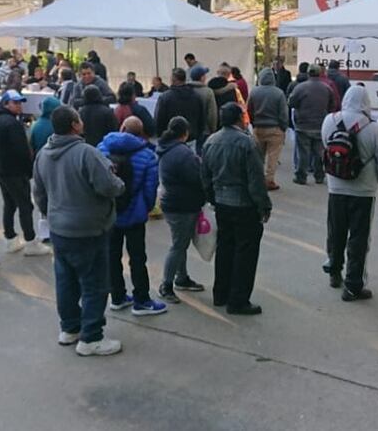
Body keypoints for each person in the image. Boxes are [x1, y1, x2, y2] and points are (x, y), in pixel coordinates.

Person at [33, 106, 126, 356]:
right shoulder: (86, 153)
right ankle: (91, 337)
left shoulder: (43, 154)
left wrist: (51, 214)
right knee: (94, 284)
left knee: (66, 281)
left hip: (59, 229)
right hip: (88, 229)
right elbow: (109, 186)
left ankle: (70, 328)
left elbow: (39, 192)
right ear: (74, 125)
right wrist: (120, 183)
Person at [322, 86, 378, 301]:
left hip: (335, 187)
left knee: (336, 231)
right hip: (363, 192)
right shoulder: (374, 128)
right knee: (359, 238)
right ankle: (353, 285)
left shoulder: (329, 121)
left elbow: (327, 147)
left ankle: (334, 270)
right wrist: (374, 180)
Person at [201, 103, 270, 315]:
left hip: (221, 202)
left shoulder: (210, 141)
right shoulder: (246, 143)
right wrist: (263, 205)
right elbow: (255, 179)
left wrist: (212, 198)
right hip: (244, 204)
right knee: (245, 252)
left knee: (225, 248)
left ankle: (221, 293)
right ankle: (238, 299)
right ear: (239, 119)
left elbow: (205, 176)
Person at [98, 117, 165, 317]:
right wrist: (146, 207)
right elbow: (150, 187)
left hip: (109, 212)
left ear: (122, 127)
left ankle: (117, 296)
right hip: (135, 213)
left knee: (112, 256)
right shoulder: (147, 156)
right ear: (141, 132)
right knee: (137, 258)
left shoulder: (101, 149)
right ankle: (141, 300)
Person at [156, 116, 206, 304]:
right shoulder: (183, 153)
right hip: (183, 204)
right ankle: (166, 284)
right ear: (185, 133)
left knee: (180, 243)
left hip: (172, 202)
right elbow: (197, 177)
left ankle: (181, 277)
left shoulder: (165, 149)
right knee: (178, 245)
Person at [0, 91, 50, 257]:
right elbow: (21, 150)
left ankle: (10, 238)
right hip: (15, 171)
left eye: (20, 102)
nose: (19, 106)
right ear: (6, 104)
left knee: (10, 204)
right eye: (15, 102)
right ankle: (30, 241)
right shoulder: (12, 124)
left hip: (2, 170)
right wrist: (28, 169)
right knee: (25, 205)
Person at [289, 65, 337, 185]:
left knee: (303, 153)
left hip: (303, 125)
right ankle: (319, 175)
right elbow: (333, 105)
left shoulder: (300, 87)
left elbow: (291, 102)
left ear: (308, 73)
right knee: (319, 153)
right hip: (320, 125)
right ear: (320, 73)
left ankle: (301, 176)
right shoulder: (326, 88)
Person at [247, 68, 289, 190]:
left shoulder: (254, 92)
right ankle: (269, 180)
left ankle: (258, 179)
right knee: (273, 157)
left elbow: (249, 110)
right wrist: (283, 127)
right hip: (275, 129)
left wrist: (254, 123)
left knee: (258, 156)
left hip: (258, 128)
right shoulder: (279, 93)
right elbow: (283, 113)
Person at [154, 68, 205, 148]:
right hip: (190, 138)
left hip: (170, 140)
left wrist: (161, 136)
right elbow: (201, 118)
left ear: (172, 80)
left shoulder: (165, 97)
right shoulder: (196, 96)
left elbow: (159, 119)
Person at [188, 65, 218, 140]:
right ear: (202, 78)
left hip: (188, 131)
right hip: (204, 131)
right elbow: (212, 114)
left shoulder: (186, 89)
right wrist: (213, 129)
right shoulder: (208, 92)